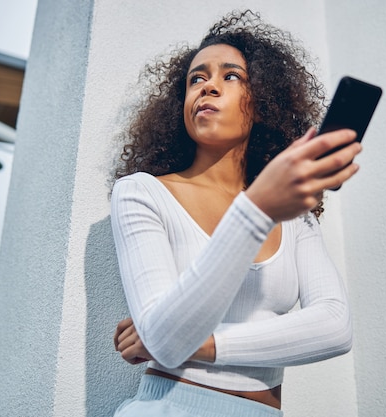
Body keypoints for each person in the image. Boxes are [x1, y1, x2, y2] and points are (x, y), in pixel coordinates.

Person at [110, 9, 360, 417]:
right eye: (196, 79)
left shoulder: (294, 216)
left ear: (261, 104)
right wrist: (256, 209)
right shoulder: (142, 193)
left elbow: (335, 327)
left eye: (230, 76)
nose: (208, 86)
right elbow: (167, 340)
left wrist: (202, 342)